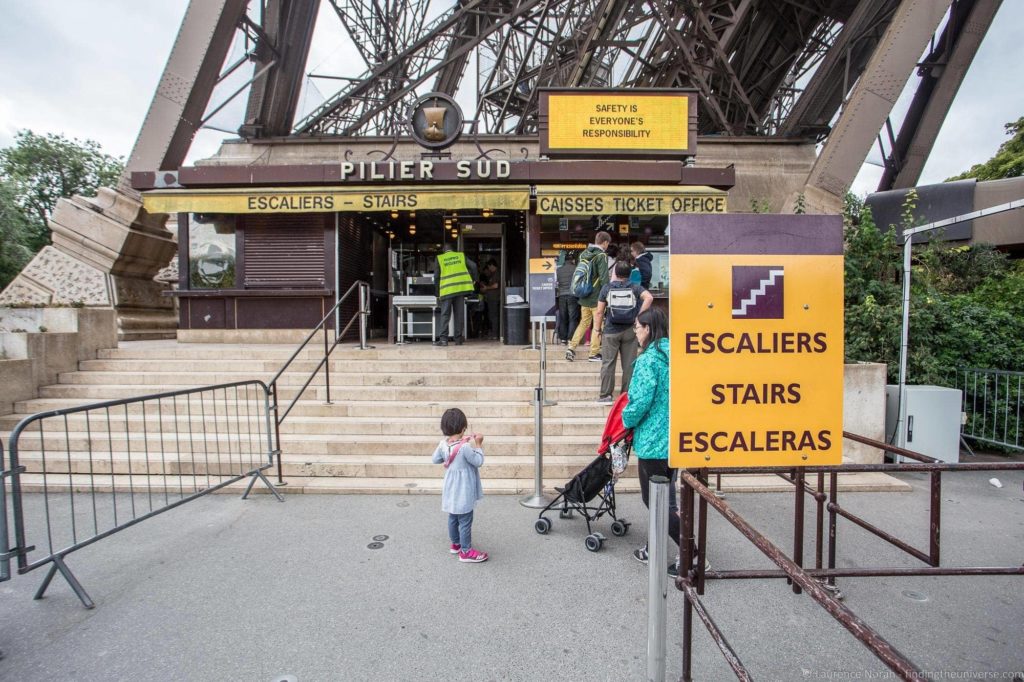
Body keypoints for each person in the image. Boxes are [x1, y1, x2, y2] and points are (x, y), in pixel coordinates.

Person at [621, 307, 678, 575]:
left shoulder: (648, 360)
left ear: (648, 329)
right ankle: (652, 548)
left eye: (637, 327)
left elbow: (639, 402)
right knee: (666, 499)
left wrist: (625, 420)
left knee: (654, 499)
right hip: (674, 439)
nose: (635, 331)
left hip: (653, 441)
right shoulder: (676, 354)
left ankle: (693, 553)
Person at [431, 407, 489, 563]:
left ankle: (455, 544)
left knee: (453, 516)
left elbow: (435, 459)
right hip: (463, 489)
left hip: (451, 488)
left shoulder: (443, 444)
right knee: (465, 519)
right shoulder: (465, 447)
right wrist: (478, 444)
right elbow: (478, 461)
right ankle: (466, 552)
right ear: (464, 428)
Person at [593, 260, 653, 404]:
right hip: (629, 331)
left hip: (610, 331)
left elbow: (600, 311)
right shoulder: (635, 287)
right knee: (629, 364)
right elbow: (649, 297)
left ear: (615, 273)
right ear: (629, 274)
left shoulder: (607, 288)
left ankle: (606, 395)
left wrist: (596, 329)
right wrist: (639, 316)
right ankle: (625, 395)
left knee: (608, 363)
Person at [565, 230, 611, 363]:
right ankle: (593, 353)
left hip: (583, 295)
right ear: (605, 242)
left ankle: (571, 347)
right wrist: (606, 296)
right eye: (608, 244)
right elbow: (603, 278)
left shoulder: (584, 253)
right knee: (598, 325)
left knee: (584, 322)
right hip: (597, 298)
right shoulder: (601, 256)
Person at [433, 245, 477, 346]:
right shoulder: (460, 256)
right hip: (459, 290)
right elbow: (474, 266)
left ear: (444, 251)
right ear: (453, 250)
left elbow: (436, 277)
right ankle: (458, 339)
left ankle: (444, 340)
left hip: (447, 290)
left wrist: (437, 293)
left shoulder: (440, 258)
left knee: (445, 315)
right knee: (459, 314)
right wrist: (474, 279)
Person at [555, 253, 580, 344]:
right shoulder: (576, 269)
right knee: (572, 317)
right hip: (573, 295)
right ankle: (571, 338)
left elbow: (556, 283)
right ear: (573, 260)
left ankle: (563, 338)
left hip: (561, 295)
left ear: (565, 260)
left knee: (563, 316)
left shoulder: (559, 270)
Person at [479, 258, 501, 340]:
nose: (489, 269)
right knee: (491, 316)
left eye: (489, 267)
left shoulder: (497, 273)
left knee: (494, 316)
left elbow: (496, 285)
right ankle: (494, 333)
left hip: (495, 299)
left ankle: (495, 334)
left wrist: (486, 288)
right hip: (491, 299)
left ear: (492, 265)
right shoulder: (493, 274)